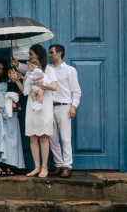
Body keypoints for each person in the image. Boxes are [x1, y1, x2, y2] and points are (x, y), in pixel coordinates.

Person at [9, 44, 57, 178]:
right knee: (32, 137)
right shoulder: (29, 73)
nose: (28, 57)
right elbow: (25, 91)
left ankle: (45, 167)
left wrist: (39, 84)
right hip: (32, 105)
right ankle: (36, 167)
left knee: (43, 136)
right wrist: (17, 80)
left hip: (44, 105)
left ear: (38, 55)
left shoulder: (48, 69)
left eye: (31, 54)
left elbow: (54, 86)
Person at [46, 44, 81, 178]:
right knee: (52, 138)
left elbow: (76, 90)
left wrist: (74, 106)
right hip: (49, 107)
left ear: (59, 53)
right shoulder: (48, 69)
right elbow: (31, 69)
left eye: (51, 52)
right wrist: (18, 65)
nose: (49, 55)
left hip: (64, 106)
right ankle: (59, 165)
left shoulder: (69, 70)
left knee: (65, 138)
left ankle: (67, 166)